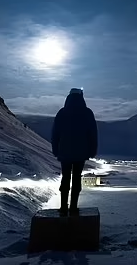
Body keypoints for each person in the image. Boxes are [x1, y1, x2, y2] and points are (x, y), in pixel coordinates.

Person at [51, 87, 98, 215]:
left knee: (65, 177)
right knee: (77, 178)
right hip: (81, 152)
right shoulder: (87, 113)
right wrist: (92, 150)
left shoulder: (62, 112)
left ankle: (63, 207)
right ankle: (73, 207)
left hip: (64, 152)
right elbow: (93, 133)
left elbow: (55, 133)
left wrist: (55, 149)